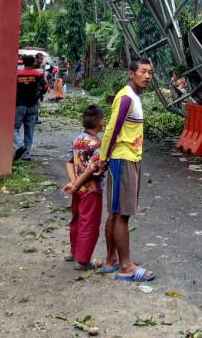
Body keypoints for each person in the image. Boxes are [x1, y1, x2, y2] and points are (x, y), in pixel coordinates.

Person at [96, 58, 155, 282]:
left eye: (150, 72)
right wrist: (103, 158)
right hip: (123, 160)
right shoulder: (126, 97)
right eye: (143, 71)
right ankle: (126, 266)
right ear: (132, 74)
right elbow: (112, 130)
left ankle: (111, 260)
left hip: (129, 158)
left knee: (115, 212)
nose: (147, 76)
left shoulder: (135, 97)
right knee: (122, 214)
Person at [62, 105, 106, 270]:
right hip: (91, 190)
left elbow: (69, 161)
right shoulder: (98, 144)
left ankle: (74, 252)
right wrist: (78, 184)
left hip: (77, 190)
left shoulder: (77, 139)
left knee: (76, 219)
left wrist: (74, 183)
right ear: (100, 123)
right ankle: (83, 260)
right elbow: (92, 169)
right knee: (89, 223)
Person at [14, 54, 47, 161]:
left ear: (23, 63)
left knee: (14, 128)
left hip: (19, 105)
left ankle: (19, 146)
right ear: (33, 63)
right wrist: (39, 94)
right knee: (29, 130)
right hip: (33, 105)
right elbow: (45, 86)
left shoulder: (17, 74)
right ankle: (26, 154)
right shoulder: (37, 74)